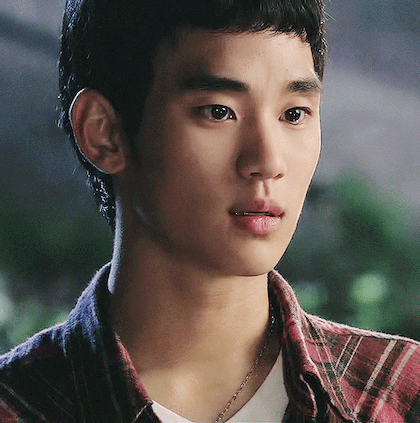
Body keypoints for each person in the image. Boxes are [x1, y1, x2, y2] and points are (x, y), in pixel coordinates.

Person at [1, 0, 419, 422]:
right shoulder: (17, 407)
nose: (267, 161)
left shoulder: (400, 396)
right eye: (219, 112)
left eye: (294, 114)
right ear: (103, 132)